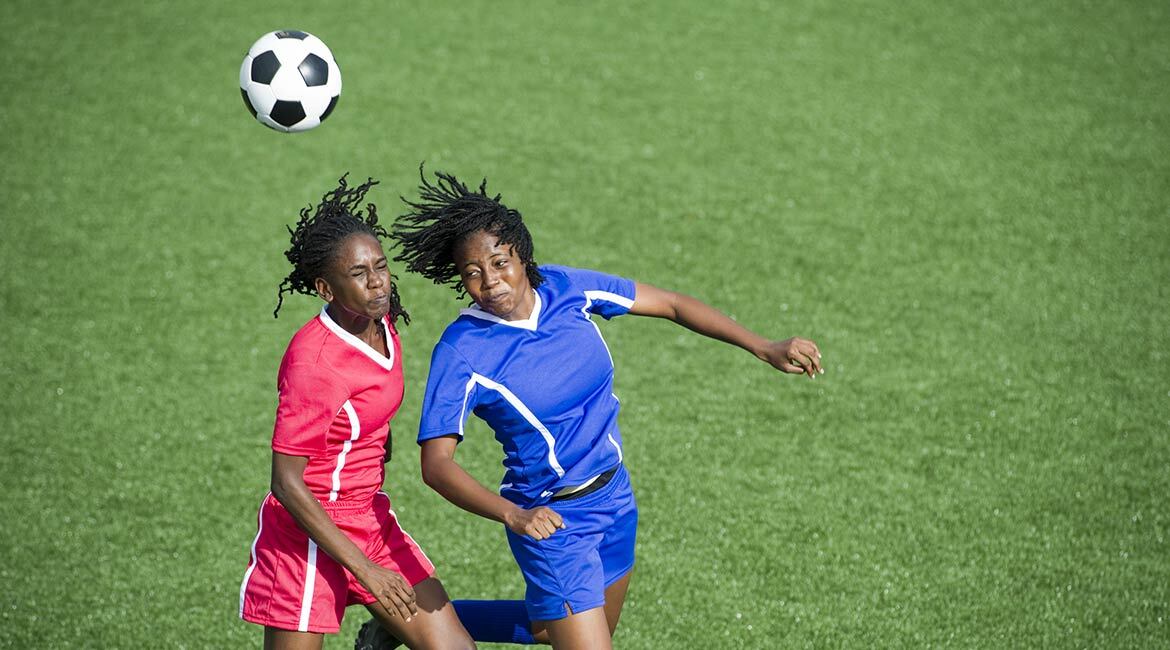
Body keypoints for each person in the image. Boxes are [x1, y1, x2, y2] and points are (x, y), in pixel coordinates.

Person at [357, 168, 823, 649]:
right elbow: (436, 466)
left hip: (616, 499)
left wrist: (763, 347)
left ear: (523, 256)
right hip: (553, 523)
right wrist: (513, 515)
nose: (490, 282)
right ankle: (410, 624)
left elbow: (672, 304)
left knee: (545, 629)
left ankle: (397, 624)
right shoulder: (462, 350)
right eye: (473, 273)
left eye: (500, 263)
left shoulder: (566, 289)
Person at [238, 175, 475, 650]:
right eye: (359, 274)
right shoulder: (315, 364)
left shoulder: (380, 319)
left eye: (381, 267)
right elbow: (286, 482)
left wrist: (371, 439)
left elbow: (368, 406)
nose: (377, 283)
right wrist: (365, 569)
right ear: (326, 287)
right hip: (306, 532)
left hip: (366, 515)